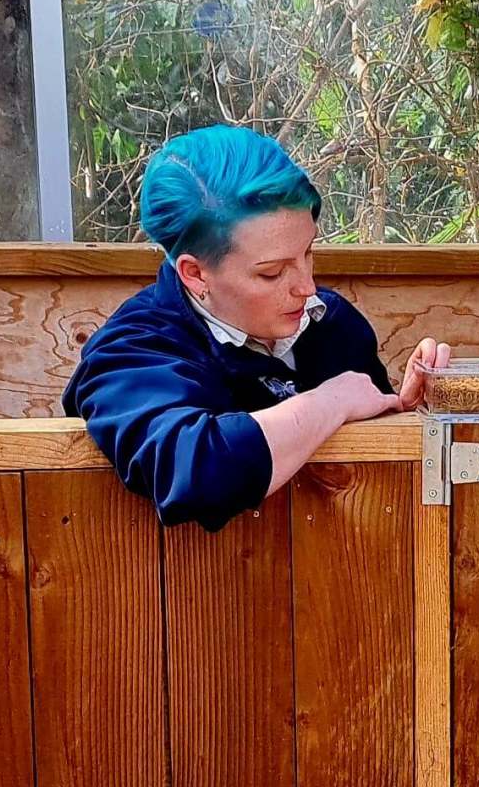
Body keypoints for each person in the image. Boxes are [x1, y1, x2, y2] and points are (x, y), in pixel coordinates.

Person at [65, 125, 450, 530]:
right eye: (271, 273)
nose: (306, 286)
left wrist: (407, 410)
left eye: (308, 253)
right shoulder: (130, 352)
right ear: (195, 273)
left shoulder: (330, 322)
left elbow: (374, 476)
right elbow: (194, 472)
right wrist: (329, 402)